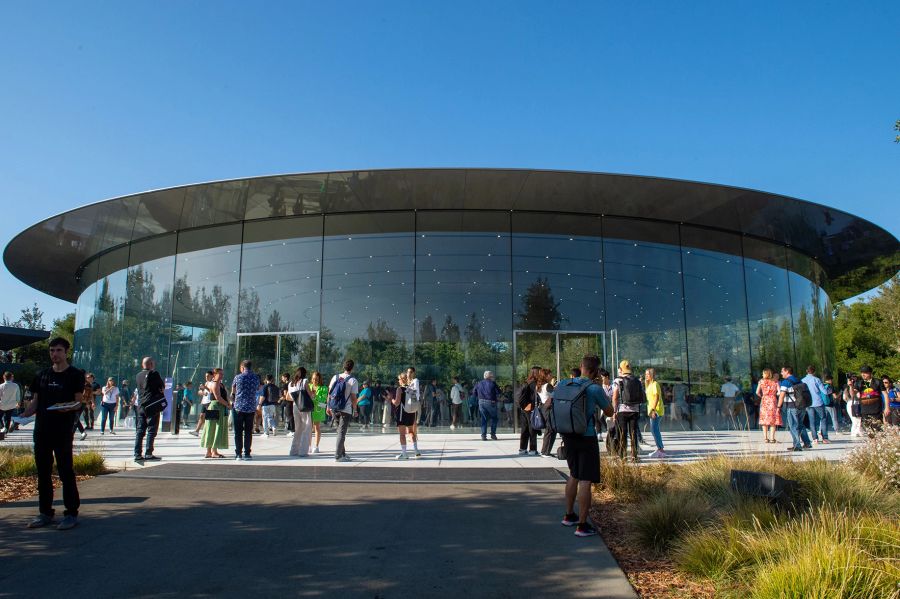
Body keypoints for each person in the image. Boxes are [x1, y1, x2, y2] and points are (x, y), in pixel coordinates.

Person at [19, 338, 85, 530]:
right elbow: (36, 402)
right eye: (51, 350)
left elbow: (78, 401)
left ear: (66, 352)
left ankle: (71, 513)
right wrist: (24, 414)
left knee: (65, 471)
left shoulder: (74, 375)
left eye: (58, 350)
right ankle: (45, 512)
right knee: (43, 472)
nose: (54, 354)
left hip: (62, 430)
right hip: (42, 430)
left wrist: (70, 408)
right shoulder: (42, 375)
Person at [556, 355, 613, 537]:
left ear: (581, 367)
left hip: (568, 434)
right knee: (586, 480)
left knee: (573, 474)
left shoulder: (564, 384)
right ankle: (582, 525)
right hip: (586, 436)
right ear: (596, 371)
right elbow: (610, 411)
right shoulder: (594, 388)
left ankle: (568, 515)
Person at [134, 356, 165, 462]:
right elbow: (162, 387)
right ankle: (148, 453)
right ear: (151, 364)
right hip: (152, 406)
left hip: (141, 405)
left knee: (140, 430)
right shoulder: (154, 374)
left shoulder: (138, 375)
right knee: (151, 430)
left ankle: (137, 454)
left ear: (143, 364)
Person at [611, 360, 643, 462]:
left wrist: (614, 411)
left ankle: (623, 456)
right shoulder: (637, 380)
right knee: (633, 433)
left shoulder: (618, 380)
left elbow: (615, 397)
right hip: (635, 410)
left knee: (622, 434)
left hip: (622, 411)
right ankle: (634, 456)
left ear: (621, 369)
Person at [327, 360, 359, 462]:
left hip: (334, 408)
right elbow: (354, 398)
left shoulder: (335, 377)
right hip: (346, 409)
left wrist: (328, 406)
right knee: (341, 433)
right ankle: (338, 456)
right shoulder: (353, 380)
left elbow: (330, 393)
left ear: (343, 367)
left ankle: (343, 453)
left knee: (339, 432)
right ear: (352, 368)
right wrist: (355, 409)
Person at [231, 360, 261, 460]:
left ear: (242, 367)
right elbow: (257, 389)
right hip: (251, 408)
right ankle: (247, 453)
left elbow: (233, 392)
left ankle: (238, 453)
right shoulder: (256, 378)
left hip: (238, 407)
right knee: (248, 431)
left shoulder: (238, 377)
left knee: (238, 432)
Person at [778, 366, 812, 452]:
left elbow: (781, 396)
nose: (781, 373)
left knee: (793, 426)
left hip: (792, 406)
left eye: (782, 371)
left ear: (787, 371)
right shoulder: (798, 380)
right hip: (801, 406)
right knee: (800, 425)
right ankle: (807, 443)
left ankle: (797, 445)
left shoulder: (785, 382)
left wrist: (778, 407)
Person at [201, 369, 229, 458]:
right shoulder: (216, 383)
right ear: (214, 374)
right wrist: (228, 405)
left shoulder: (219, 384)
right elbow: (218, 397)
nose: (221, 375)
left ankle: (210, 451)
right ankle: (213, 451)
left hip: (214, 406)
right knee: (215, 428)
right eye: (220, 374)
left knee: (211, 428)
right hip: (216, 406)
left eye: (222, 374)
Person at [393, 372, 419, 459]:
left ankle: (404, 453)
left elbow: (397, 403)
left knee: (402, 434)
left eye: (399, 379)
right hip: (411, 412)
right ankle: (416, 450)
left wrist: (391, 399)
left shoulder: (399, 389)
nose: (398, 381)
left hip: (402, 413)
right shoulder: (411, 388)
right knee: (411, 432)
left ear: (401, 380)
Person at [852, 365, 885, 433]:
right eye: (861, 372)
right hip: (864, 410)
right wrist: (850, 386)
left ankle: (879, 442)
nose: (863, 374)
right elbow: (853, 394)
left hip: (876, 410)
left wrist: (887, 408)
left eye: (865, 372)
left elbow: (885, 395)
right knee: (869, 431)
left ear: (870, 373)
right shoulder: (859, 383)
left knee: (878, 430)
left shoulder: (877, 382)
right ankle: (873, 442)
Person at [288, 368, 312, 457]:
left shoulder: (291, 383)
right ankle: (303, 451)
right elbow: (310, 395)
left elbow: (288, 397)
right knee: (306, 427)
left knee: (298, 429)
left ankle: (293, 451)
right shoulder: (304, 381)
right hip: (304, 407)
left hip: (295, 406)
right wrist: (313, 394)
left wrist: (296, 398)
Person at [802, 366, 829, 444]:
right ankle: (824, 438)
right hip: (818, 402)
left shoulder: (803, 380)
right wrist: (829, 390)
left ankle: (815, 439)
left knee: (812, 421)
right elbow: (824, 391)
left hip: (808, 403)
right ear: (814, 372)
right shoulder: (817, 379)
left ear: (806, 371)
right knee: (823, 418)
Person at [518, 367, 542, 456]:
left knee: (524, 429)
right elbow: (534, 397)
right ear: (537, 373)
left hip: (524, 408)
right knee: (532, 429)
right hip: (531, 408)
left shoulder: (527, 381)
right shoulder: (534, 383)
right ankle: (532, 449)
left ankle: (522, 449)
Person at [755, 369, 783, 443]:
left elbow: (757, 392)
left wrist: (763, 396)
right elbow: (779, 392)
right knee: (772, 420)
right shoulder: (775, 381)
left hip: (764, 400)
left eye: (763, 373)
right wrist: (774, 394)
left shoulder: (761, 381)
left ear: (765, 374)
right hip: (773, 400)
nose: (762, 375)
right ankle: (772, 438)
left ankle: (765, 438)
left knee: (764, 419)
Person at [645, 368, 666, 458]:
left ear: (652, 375)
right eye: (645, 374)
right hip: (652, 411)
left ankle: (660, 450)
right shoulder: (649, 385)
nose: (646, 376)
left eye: (647, 374)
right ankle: (660, 449)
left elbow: (657, 397)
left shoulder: (655, 384)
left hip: (656, 410)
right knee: (654, 430)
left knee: (655, 430)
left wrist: (653, 410)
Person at [474, 370, 501, 441]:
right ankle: (493, 434)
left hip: (481, 402)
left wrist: (480, 397)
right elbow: (499, 392)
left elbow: (474, 392)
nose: (493, 377)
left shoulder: (478, 383)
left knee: (484, 418)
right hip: (491, 402)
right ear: (490, 376)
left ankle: (483, 436)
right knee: (494, 418)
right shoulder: (493, 383)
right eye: (492, 376)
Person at [189, 371, 213, 437]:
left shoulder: (213, 383)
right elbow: (202, 392)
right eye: (206, 376)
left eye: (208, 376)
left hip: (209, 402)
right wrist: (201, 391)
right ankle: (197, 431)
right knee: (201, 416)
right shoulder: (206, 383)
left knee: (208, 418)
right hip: (204, 402)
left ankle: (208, 431)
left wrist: (205, 388)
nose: (206, 377)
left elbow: (212, 391)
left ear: (211, 376)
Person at [405, 367, 422, 454]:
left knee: (413, 421)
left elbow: (415, 391)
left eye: (411, 372)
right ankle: (413, 437)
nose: (409, 374)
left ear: (414, 373)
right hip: (409, 404)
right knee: (411, 422)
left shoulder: (415, 381)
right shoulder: (408, 382)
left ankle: (414, 437)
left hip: (414, 403)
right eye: (408, 372)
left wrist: (406, 389)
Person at [309, 371, 327, 453]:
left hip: (318, 410)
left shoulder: (324, 388)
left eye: (316, 379)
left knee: (316, 427)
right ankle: (308, 445)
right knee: (308, 428)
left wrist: (314, 397)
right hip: (308, 409)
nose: (314, 380)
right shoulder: (308, 386)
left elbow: (323, 400)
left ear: (319, 379)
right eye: (313, 378)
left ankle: (316, 446)